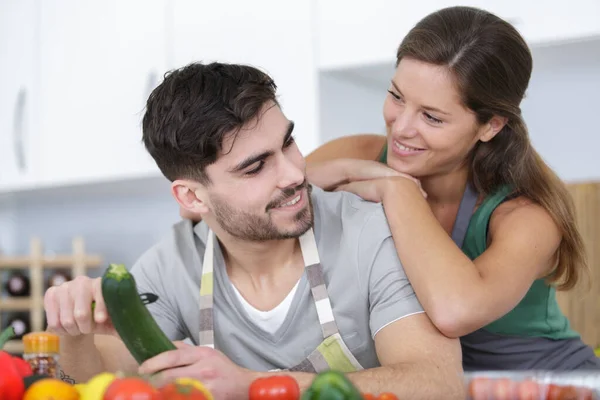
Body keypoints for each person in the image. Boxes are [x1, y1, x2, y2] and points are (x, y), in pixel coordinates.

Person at [43, 62, 465, 399]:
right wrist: (74, 333)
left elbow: (439, 384)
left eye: (288, 143)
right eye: (256, 166)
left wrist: (253, 386)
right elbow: (105, 377)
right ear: (192, 198)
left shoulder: (369, 233)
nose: (294, 174)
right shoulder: (173, 265)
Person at [306, 5, 600, 371]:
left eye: (431, 117)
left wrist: (397, 191)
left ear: (490, 126)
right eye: (397, 96)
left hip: (543, 384)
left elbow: (454, 310)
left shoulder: (527, 215)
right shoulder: (359, 153)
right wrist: (352, 169)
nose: (400, 129)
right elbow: (267, 194)